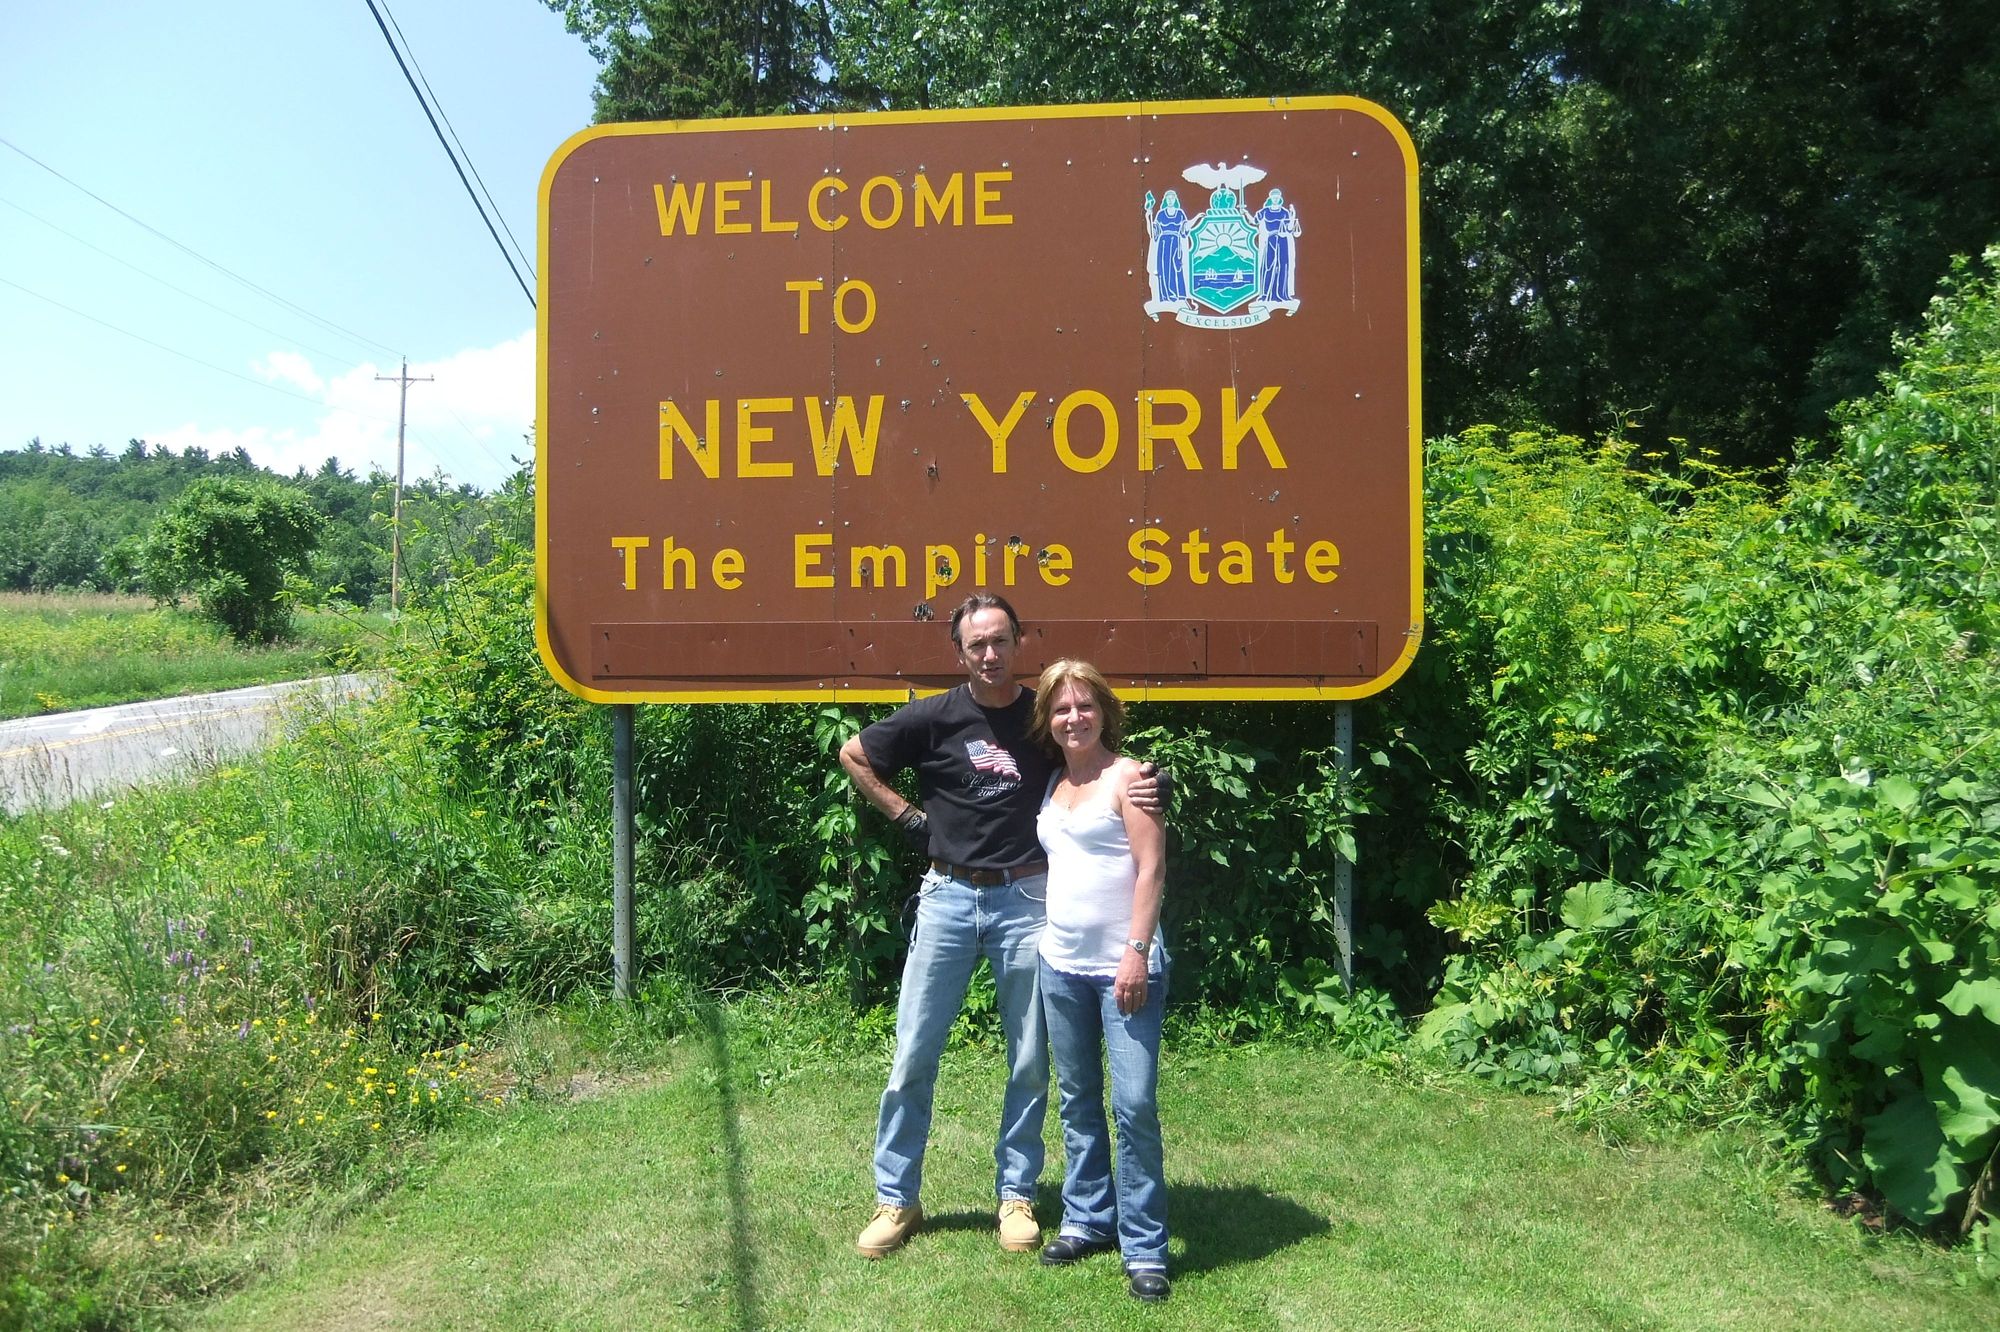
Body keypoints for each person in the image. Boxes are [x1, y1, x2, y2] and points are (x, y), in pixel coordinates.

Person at [838, 595, 1163, 1260]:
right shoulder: (933, 716)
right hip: (948, 897)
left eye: (999, 641)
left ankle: (1016, 1195)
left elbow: (1094, 759)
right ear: (959, 652)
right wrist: (905, 816)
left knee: (1028, 1058)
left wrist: (1149, 781)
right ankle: (896, 1199)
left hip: (1026, 900)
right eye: (976, 644)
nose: (989, 654)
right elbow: (853, 753)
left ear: (1018, 643)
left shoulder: (1041, 717)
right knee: (913, 1052)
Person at [1029, 659, 1172, 1303]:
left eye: (1085, 706)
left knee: (1133, 1105)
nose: (1074, 718)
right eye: (1061, 709)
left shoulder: (1131, 779)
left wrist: (1135, 954)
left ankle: (1145, 1246)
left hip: (1125, 971)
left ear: (1104, 712)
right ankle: (1087, 1218)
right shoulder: (1053, 782)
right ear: (1048, 720)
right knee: (1078, 1098)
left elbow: (1151, 870)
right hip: (1059, 965)